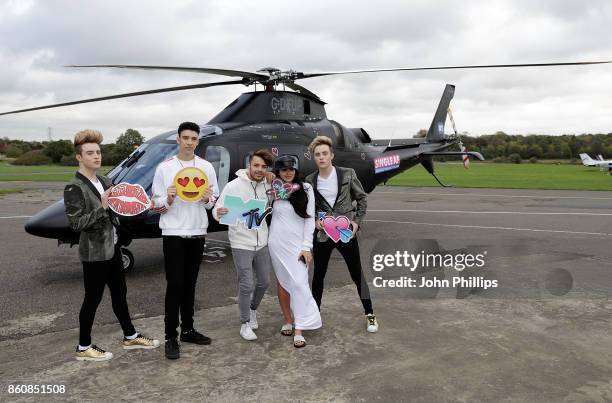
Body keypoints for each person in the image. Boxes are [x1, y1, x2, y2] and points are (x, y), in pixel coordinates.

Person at [64, 129, 159, 361]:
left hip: (113, 248)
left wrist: (144, 204)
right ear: (79, 157)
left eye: (98, 152)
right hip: (94, 253)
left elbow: (119, 208)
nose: (96, 156)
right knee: (92, 298)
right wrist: (102, 207)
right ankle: (83, 347)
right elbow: (76, 224)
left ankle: (130, 336)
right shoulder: (74, 187)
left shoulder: (105, 180)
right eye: (90, 153)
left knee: (120, 294)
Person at [151, 121, 219, 359]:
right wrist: (167, 199)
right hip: (173, 233)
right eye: (186, 137)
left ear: (198, 141)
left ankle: (188, 329)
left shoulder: (206, 167)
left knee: (190, 284)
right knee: (175, 284)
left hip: (198, 231)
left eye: (194, 138)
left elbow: (214, 203)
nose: (190, 142)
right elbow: (156, 205)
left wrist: (208, 199)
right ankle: (171, 335)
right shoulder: (165, 168)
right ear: (178, 139)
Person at [305, 135, 379, 333]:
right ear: (314, 157)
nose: (321, 157)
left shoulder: (347, 174)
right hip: (323, 235)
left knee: (357, 275)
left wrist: (356, 223)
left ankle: (370, 314)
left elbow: (362, 199)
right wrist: (314, 222)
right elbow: (308, 209)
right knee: (318, 276)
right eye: (317, 154)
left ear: (331, 155)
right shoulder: (310, 181)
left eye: (324, 154)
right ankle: (314, 314)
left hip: (346, 232)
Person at [212, 149, 274, 341]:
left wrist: (273, 181)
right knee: (246, 285)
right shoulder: (233, 186)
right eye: (256, 165)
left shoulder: (268, 185)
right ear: (249, 164)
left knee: (264, 282)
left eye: (264, 167)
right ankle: (245, 323)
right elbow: (217, 209)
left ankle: (253, 309)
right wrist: (218, 212)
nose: (259, 170)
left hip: (262, 241)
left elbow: (274, 202)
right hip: (241, 243)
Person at [268, 155, 321, 348]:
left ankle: (300, 327)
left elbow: (309, 219)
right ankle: (288, 320)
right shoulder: (274, 189)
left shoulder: (306, 188)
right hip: (276, 243)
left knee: (299, 283)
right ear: (278, 172)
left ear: (296, 170)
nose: (288, 172)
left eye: (291, 169)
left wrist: (307, 247)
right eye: (283, 170)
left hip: (297, 246)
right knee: (282, 283)